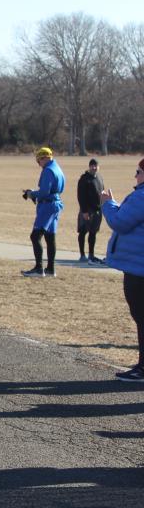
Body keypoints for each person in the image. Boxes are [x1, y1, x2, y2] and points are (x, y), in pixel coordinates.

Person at [100, 159, 144, 381]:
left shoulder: (141, 196)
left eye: (138, 171)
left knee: (141, 316)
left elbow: (120, 222)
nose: (135, 176)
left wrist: (107, 204)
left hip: (139, 268)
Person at [22, 147, 65, 277]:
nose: (38, 164)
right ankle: (50, 269)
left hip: (48, 206)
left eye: (38, 161)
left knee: (35, 236)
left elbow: (44, 192)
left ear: (44, 158)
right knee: (50, 237)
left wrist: (31, 194)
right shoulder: (57, 168)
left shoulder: (48, 170)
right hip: (56, 204)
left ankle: (38, 268)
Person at [77, 158, 105, 264]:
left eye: (95, 166)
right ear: (89, 167)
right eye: (92, 166)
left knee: (93, 233)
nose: (94, 168)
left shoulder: (100, 177)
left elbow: (102, 192)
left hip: (97, 210)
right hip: (87, 210)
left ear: (98, 167)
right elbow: (80, 196)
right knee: (83, 232)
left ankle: (91, 255)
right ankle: (82, 255)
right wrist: (84, 211)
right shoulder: (84, 179)